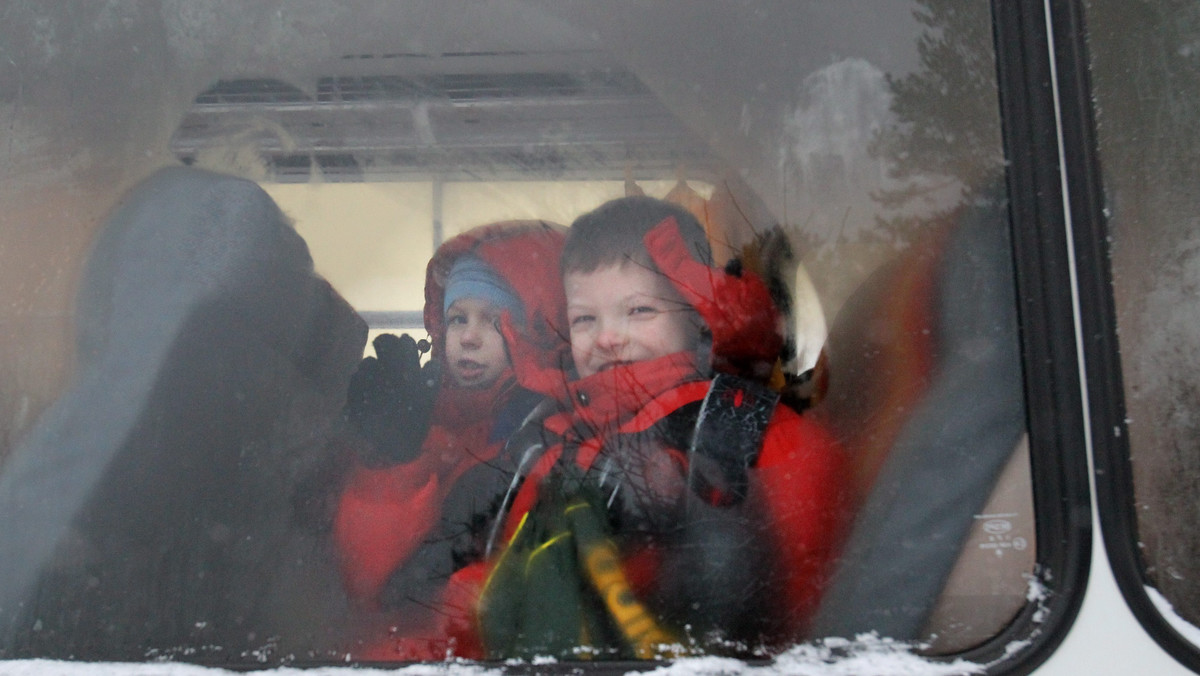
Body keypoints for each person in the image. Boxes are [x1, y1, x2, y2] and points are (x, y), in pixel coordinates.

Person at [475, 196, 853, 660]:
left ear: (696, 316)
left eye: (639, 311)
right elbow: (501, 583)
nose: (608, 336)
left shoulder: (749, 434)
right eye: (584, 319)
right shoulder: (557, 439)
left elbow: (807, 606)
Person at [332, 220, 569, 660]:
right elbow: (366, 580)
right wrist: (391, 461)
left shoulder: (545, 434)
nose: (469, 337)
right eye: (457, 318)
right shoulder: (424, 419)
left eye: (494, 322)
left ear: (535, 330)